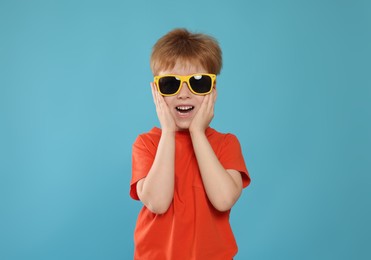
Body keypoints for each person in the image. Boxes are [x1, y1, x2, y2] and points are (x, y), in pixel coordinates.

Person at [130, 28, 251, 260]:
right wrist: (167, 130)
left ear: (213, 91)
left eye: (198, 83)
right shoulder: (146, 144)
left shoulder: (226, 144)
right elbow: (157, 202)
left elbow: (224, 199)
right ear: (156, 91)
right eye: (170, 84)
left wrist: (197, 132)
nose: (183, 94)